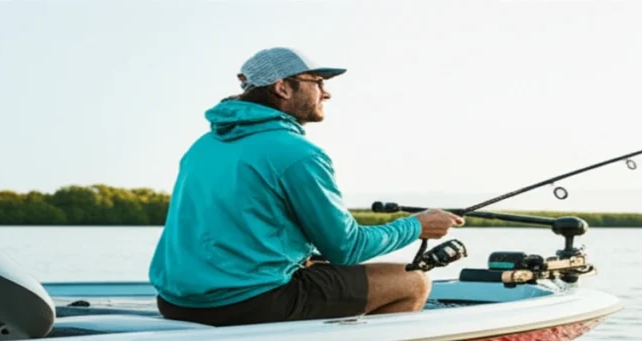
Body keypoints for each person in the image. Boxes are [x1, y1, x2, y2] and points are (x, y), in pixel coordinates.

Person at [148, 47, 463, 326]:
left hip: (176, 303)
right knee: (413, 282)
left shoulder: (204, 145)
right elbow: (347, 248)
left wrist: (302, 256)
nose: (326, 93)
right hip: (249, 304)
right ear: (282, 88)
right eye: (318, 82)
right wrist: (416, 226)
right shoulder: (297, 154)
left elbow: (240, 228)